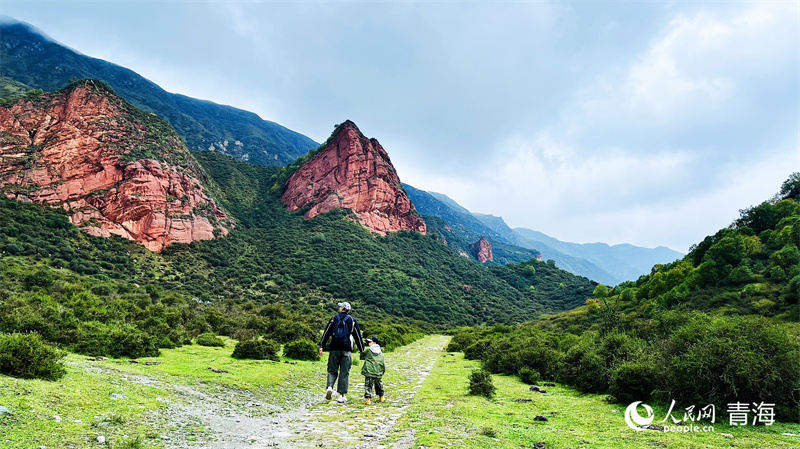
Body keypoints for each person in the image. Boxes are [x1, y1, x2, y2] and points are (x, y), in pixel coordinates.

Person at [319, 301, 364, 403]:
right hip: (346, 350)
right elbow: (358, 336)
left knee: (332, 370)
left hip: (334, 349)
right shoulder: (352, 320)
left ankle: (330, 387)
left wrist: (322, 346)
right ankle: (341, 395)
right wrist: (362, 351)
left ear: (341, 309)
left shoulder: (334, 318)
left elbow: (327, 333)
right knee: (344, 372)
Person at [360, 336, 386, 405]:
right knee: (379, 384)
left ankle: (368, 399)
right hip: (378, 371)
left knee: (368, 385)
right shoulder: (380, 352)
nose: (368, 343)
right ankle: (381, 397)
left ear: (374, 342)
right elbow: (382, 362)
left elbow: (362, 356)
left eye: (370, 342)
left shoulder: (368, 350)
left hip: (369, 370)